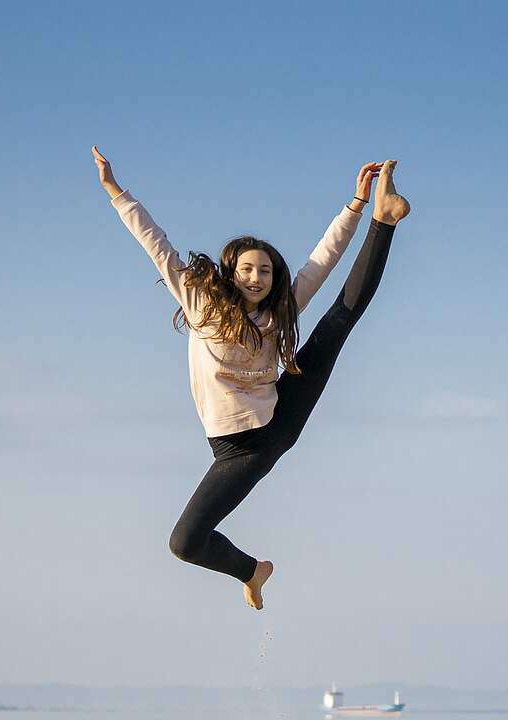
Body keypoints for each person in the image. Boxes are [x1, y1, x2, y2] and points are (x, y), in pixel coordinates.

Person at [93, 145, 409, 610]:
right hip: (234, 450)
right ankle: (252, 571)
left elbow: (322, 260)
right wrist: (116, 191)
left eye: (264, 270)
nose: (257, 276)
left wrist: (357, 205)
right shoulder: (199, 304)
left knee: (339, 320)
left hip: (276, 420)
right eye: (248, 269)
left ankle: (386, 219)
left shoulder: (280, 312)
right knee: (185, 542)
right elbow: (155, 244)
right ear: (231, 272)